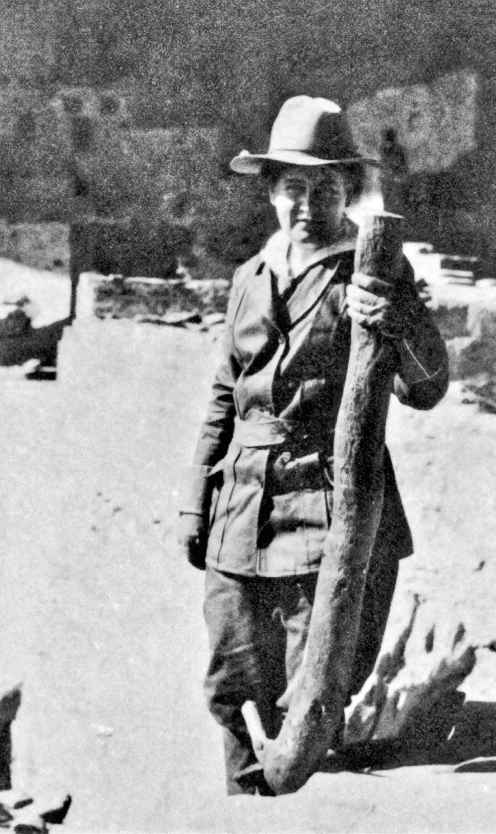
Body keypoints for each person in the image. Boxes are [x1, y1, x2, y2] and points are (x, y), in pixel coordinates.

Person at [176, 96, 449, 795]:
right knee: (231, 681)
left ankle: (299, 806)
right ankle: (245, 804)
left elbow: (427, 386)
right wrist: (194, 506)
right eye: (293, 189)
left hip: (328, 515)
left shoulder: (372, 271)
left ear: (348, 195)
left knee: (310, 693)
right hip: (242, 508)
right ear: (270, 194)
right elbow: (222, 397)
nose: (307, 206)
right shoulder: (248, 279)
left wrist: (390, 321)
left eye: (325, 190)